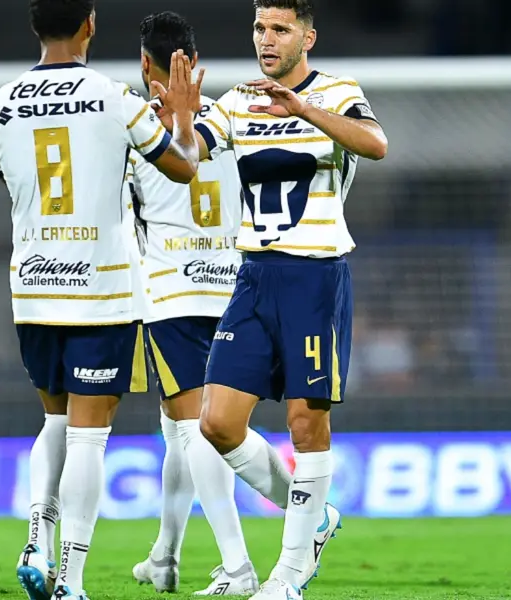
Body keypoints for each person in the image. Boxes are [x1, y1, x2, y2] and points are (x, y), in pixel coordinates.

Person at [0, 2, 203, 599]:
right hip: (101, 288)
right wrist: (181, 122)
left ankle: (37, 536)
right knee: (88, 435)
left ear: (36, 26)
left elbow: (7, 176)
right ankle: (72, 582)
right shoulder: (115, 97)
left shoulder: (0, 101)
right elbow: (183, 169)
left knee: (53, 420)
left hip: (33, 285)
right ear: (90, 24)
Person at [186, 1, 389, 598]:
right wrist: (174, 123)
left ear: (308, 36)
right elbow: (189, 155)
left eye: (279, 29)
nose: (266, 40)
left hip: (315, 278)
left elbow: (375, 144)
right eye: (259, 28)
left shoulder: (339, 90)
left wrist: (305, 110)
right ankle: (314, 513)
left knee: (306, 423)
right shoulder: (236, 100)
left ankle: (290, 574)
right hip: (253, 278)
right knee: (218, 423)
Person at [126, 11, 256, 597]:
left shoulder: (136, 130)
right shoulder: (229, 117)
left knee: (194, 432)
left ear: (148, 64)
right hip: (231, 288)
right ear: (193, 63)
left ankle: (237, 564)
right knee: (176, 429)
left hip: (171, 295)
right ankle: (166, 556)